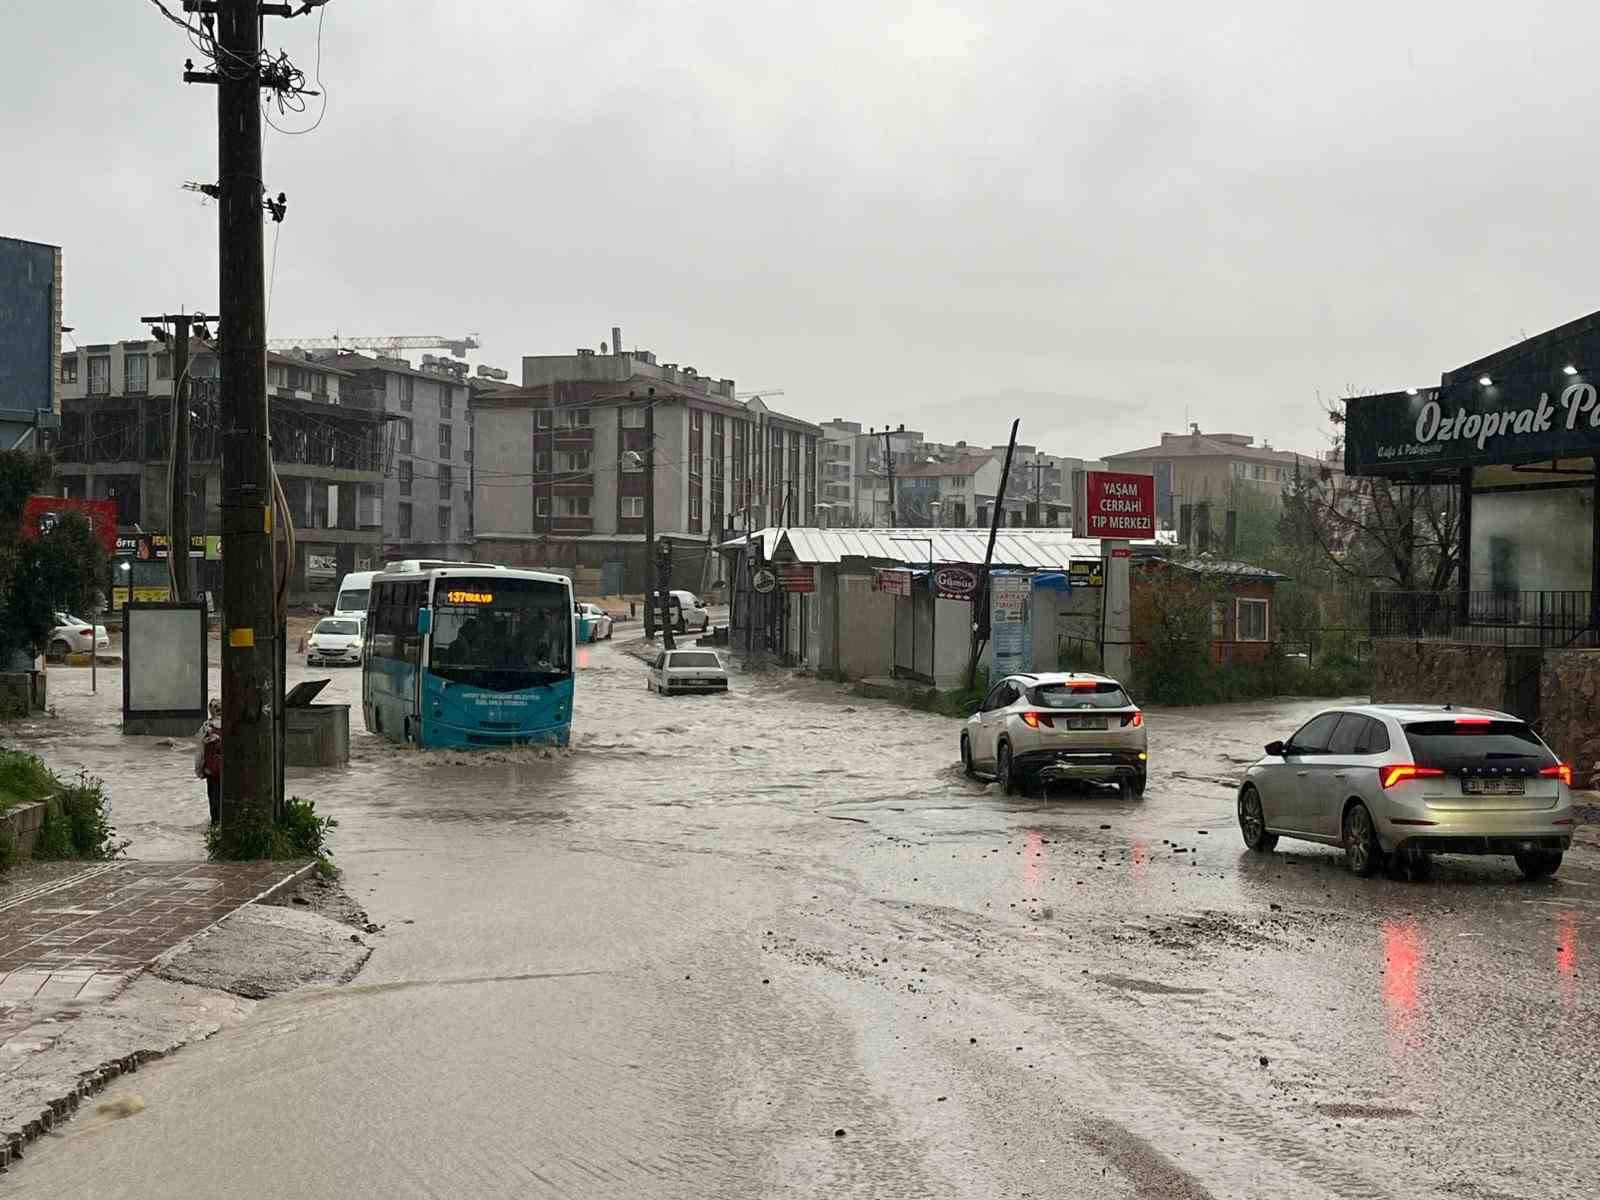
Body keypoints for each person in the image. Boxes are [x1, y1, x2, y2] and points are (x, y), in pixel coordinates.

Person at [193, 698, 222, 824]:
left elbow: (200, 751)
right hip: (228, 769)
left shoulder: (206, 727)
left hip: (211, 769)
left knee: (213, 798)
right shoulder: (231, 725)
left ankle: (215, 823)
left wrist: (199, 769)